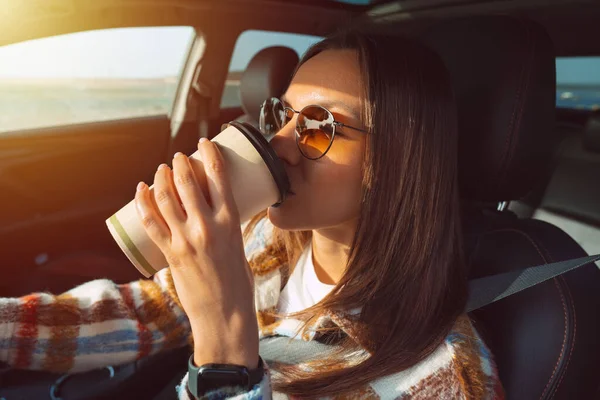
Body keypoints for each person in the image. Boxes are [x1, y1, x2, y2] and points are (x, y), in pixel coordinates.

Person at [0, 31, 504, 399]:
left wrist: (224, 353)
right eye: (283, 116)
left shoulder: (439, 378)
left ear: (404, 157)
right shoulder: (264, 237)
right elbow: (140, 314)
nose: (279, 144)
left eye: (321, 126)